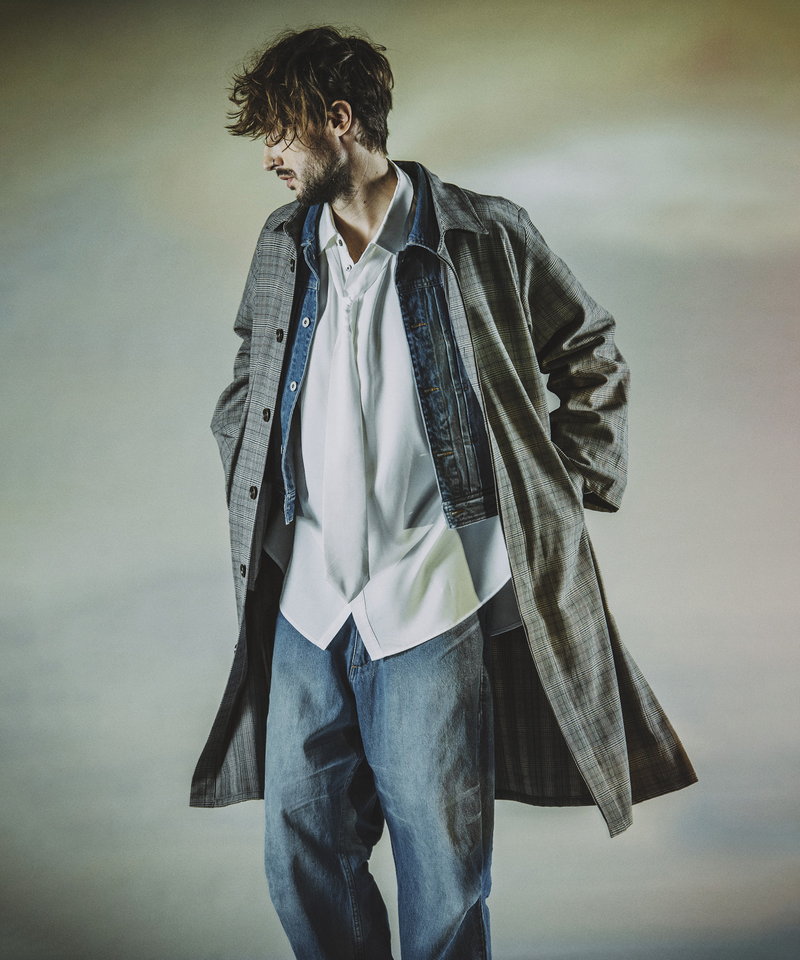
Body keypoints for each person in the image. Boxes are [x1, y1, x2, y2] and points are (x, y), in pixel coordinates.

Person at [191, 25, 697, 960]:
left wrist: (562, 488)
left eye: (279, 133)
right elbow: (248, 376)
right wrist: (250, 471)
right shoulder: (282, 244)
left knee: (445, 876)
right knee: (302, 855)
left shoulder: (482, 233)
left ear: (339, 120)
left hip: (432, 599)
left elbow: (590, 349)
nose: (267, 156)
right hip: (308, 602)